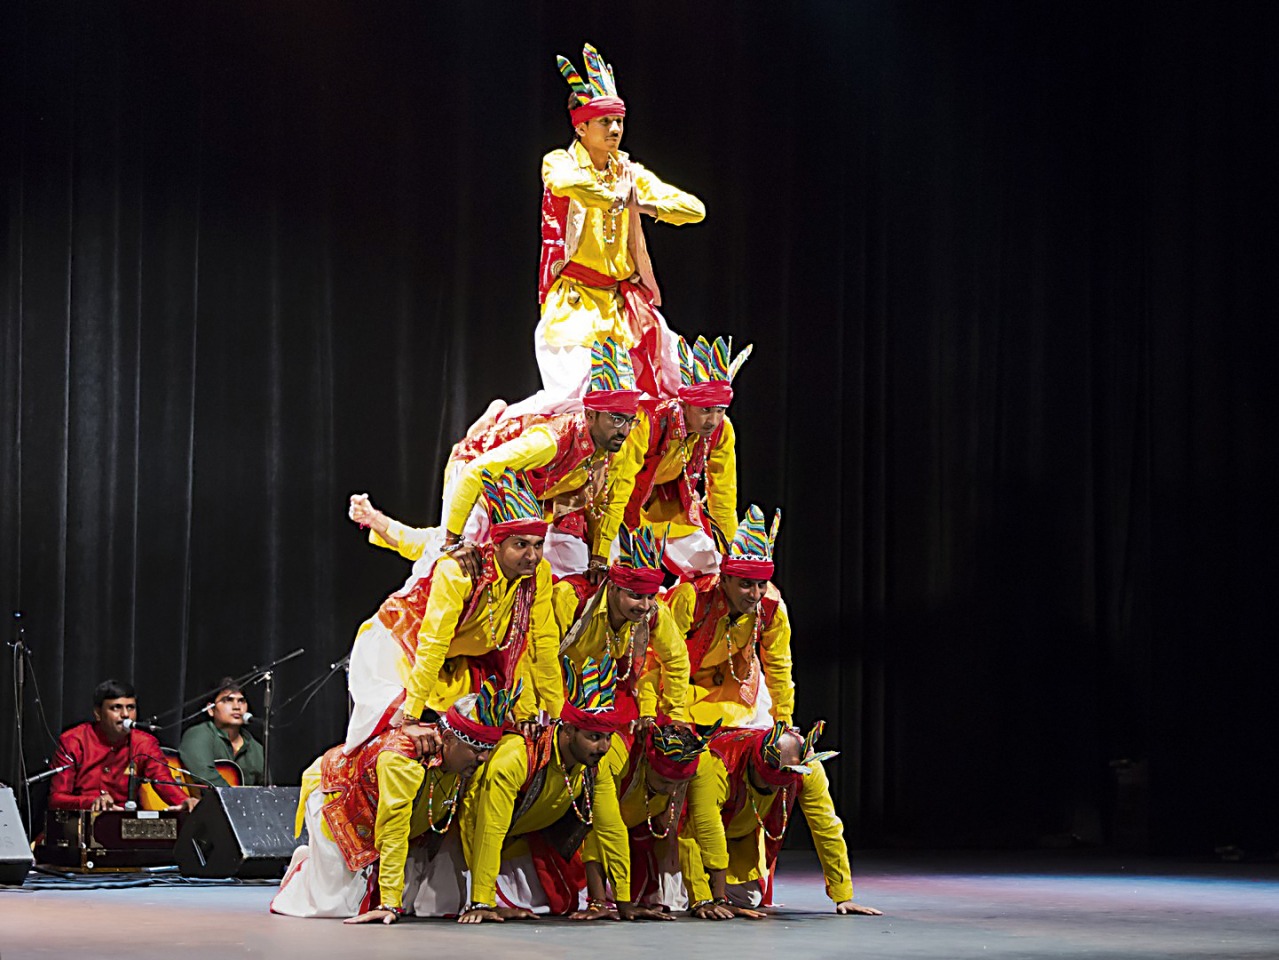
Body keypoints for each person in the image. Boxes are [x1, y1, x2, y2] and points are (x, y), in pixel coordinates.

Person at [504, 42, 706, 419]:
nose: (615, 130)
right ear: (581, 127)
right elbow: (566, 184)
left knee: (677, 390)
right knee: (572, 407)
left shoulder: (629, 173)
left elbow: (694, 210)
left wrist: (641, 204)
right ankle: (505, 433)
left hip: (620, 307)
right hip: (574, 307)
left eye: (619, 122)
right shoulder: (560, 163)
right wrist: (611, 197)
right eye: (605, 122)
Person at [343, 469, 562, 752]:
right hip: (396, 651)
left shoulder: (536, 574)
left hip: (455, 666)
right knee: (396, 746)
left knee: (485, 737)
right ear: (495, 543)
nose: (532, 556)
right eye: (521, 545)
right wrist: (411, 717)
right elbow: (432, 643)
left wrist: (558, 716)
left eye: (538, 545)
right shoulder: (459, 567)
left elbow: (543, 644)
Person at [270, 683, 518, 922]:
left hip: (399, 816)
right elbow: (393, 830)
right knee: (334, 906)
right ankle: (306, 865)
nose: (484, 758)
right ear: (450, 739)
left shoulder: (469, 764)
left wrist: (483, 902)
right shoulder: (403, 759)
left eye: (489, 748)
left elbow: (476, 825)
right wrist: (389, 904)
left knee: (438, 904)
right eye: (476, 749)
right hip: (341, 797)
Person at [442, 337, 647, 580]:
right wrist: (453, 542)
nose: (624, 430)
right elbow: (476, 471)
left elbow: (613, 503)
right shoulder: (551, 441)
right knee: (457, 569)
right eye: (615, 419)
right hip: (476, 470)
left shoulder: (617, 448)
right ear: (590, 415)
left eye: (629, 420)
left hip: (529, 493)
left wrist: (599, 558)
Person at [456, 654, 636, 922]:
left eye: (608, 737)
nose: (604, 747)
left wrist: (624, 902)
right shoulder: (515, 758)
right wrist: (483, 901)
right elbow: (488, 828)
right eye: (594, 737)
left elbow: (611, 827)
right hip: (469, 844)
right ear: (568, 731)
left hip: (523, 835)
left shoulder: (595, 762)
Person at [679, 722, 881, 919]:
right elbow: (703, 827)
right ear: (754, 763)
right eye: (767, 780)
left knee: (748, 899)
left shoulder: (808, 768)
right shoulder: (720, 764)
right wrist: (707, 900)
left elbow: (826, 828)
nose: (773, 789)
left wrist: (843, 896)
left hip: (737, 836)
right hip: (684, 834)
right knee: (674, 900)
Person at [608, 335, 752, 577]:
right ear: (684, 404)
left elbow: (723, 493)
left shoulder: (721, 430)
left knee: (717, 573)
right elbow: (618, 485)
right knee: (619, 579)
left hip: (671, 509)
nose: (713, 420)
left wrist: (730, 552)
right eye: (706, 410)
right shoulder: (649, 422)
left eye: (720, 411)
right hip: (623, 509)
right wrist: (602, 546)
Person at [655, 506, 794, 728]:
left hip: (733, 689)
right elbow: (664, 658)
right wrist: (675, 714)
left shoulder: (771, 606)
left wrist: (784, 720)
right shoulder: (691, 598)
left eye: (761, 585)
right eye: (746, 585)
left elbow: (779, 666)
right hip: (675, 686)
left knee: (781, 747)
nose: (755, 594)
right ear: (725, 578)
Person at [574, 719, 720, 918]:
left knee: (673, 900)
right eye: (664, 781)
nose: (671, 790)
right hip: (585, 829)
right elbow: (602, 827)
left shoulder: (698, 759)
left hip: (646, 831)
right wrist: (600, 903)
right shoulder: (617, 753)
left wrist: (713, 899)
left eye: (678, 784)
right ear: (646, 761)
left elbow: (706, 823)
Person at [554, 523, 690, 722]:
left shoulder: (654, 612)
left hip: (608, 695)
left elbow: (676, 659)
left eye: (651, 596)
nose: (644, 606)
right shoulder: (571, 598)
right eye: (635, 596)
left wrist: (675, 714)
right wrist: (558, 712)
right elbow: (540, 656)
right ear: (612, 588)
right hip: (556, 695)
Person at [49, 679, 196, 812]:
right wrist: (91, 802)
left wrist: (184, 801)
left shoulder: (144, 743)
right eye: (116, 708)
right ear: (98, 713)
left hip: (124, 826)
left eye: (131, 707)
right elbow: (56, 798)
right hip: (79, 825)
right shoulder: (74, 740)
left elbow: (163, 781)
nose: (125, 714)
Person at [179, 677, 264, 787]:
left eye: (241, 701)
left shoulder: (256, 748)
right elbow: (205, 776)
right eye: (228, 700)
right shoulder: (198, 735)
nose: (237, 707)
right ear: (211, 709)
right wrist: (235, 799)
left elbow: (265, 789)